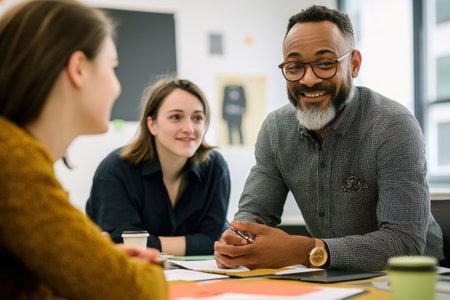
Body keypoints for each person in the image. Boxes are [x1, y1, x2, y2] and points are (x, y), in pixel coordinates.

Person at [214, 5, 444, 272]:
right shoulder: (276, 129)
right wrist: (241, 239)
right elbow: (255, 213)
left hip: (414, 278)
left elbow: (404, 244)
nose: (308, 80)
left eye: (325, 64)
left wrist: (306, 251)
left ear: (354, 64)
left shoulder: (393, 126)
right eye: (294, 66)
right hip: (331, 276)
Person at [0, 0, 167, 299]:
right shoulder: (11, 159)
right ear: (78, 68)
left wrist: (97, 256)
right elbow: (132, 291)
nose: (117, 86)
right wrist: (134, 270)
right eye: (113, 67)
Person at [86, 77, 230, 256]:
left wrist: (148, 244)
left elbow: (215, 241)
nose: (189, 128)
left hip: (199, 280)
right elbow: (121, 243)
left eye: (197, 118)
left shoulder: (215, 168)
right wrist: (196, 242)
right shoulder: (115, 170)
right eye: (176, 117)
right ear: (152, 124)